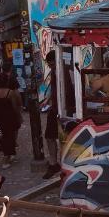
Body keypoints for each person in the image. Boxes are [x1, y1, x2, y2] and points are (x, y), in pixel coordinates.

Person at [0, 61, 23, 169]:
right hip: (10, 114)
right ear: (10, 69)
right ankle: (8, 156)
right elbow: (17, 100)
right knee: (10, 133)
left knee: (3, 135)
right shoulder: (11, 87)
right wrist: (19, 112)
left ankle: (9, 152)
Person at [42, 50, 61, 179]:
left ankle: (58, 163)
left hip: (63, 108)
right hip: (54, 108)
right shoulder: (55, 72)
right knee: (49, 136)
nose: (49, 67)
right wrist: (47, 99)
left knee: (60, 137)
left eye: (51, 64)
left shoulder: (64, 70)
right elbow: (53, 89)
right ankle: (54, 163)